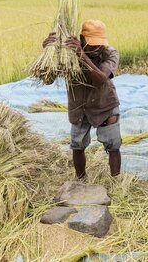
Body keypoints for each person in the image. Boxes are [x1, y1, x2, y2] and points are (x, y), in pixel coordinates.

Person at [42, 20, 122, 179]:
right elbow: (47, 80)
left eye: (100, 43)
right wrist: (47, 54)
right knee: (77, 146)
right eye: (92, 43)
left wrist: (81, 55)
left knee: (113, 146)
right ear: (81, 39)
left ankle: (116, 181)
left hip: (104, 105)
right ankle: (81, 180)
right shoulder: (66, 54)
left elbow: (101, 79)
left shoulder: (110, 53)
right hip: (79, 107)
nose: (97, 47)